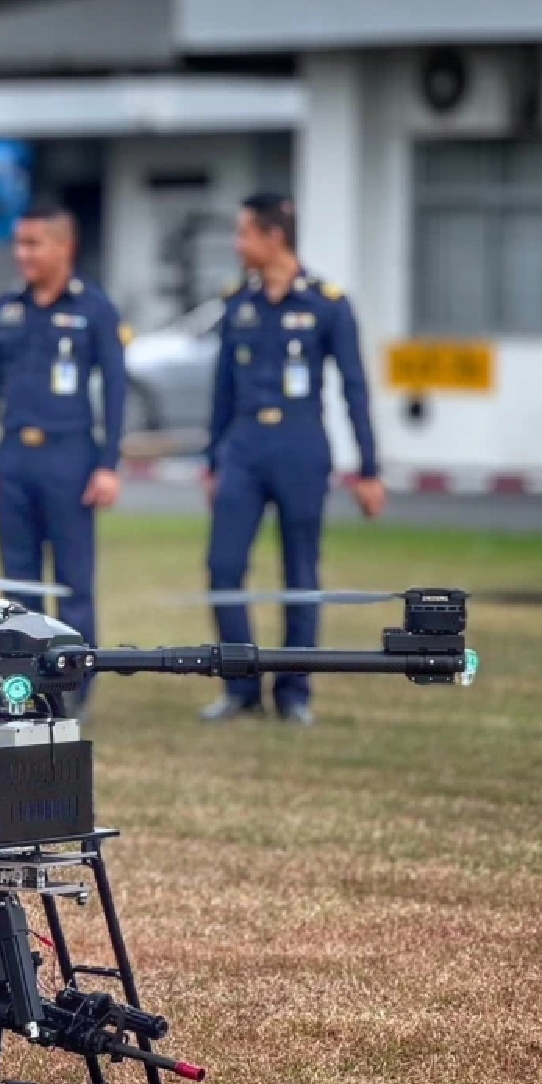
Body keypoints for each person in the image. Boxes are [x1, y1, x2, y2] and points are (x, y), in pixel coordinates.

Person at [200, 191, 386, 726]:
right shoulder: (238, 302)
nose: (238, 245)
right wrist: (213, 460)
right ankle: (240, 687)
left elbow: (355, 389)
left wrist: (369, 469)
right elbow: (222, 390)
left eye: (244, 234)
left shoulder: (327, 303)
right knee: (224, 567)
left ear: (272, 236)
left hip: (302, 449)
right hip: (244, 450)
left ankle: (294, 691)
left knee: (300, 573)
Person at [0, 203, 128, 675]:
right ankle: (24, 679)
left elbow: (116, 390)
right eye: (19, 243)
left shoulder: (93, 309)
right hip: (14, 455)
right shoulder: (8, 309)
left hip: (70, 456)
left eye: (33, 244)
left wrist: (108, 464)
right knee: (19, 583)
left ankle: (75, 683)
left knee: (73, 583)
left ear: (64, 246)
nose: (22, 254)